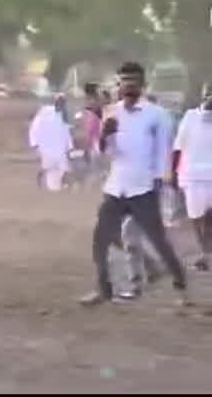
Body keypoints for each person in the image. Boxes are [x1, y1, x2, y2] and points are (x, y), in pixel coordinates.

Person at [80, 61, 188, 307]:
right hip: (116, 186)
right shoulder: (110, 112)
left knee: (159, 241)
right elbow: (105, 153)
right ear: (118, 83)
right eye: (124, 80)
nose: (128, 85)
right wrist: (106, 136)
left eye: (133, 81)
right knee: (101, 239)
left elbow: (164, 151)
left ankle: (181, 287)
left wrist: (165, 180)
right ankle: (104, 290)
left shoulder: (157, 115)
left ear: (142, 84)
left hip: (145, 188)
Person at [172, 82, 212, 271]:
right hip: (192, 177)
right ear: (202, 96)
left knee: (209, 219)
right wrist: (173, 173)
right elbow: (178, 147)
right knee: (196, 218)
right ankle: (205, 253)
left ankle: (207, 254)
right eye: (208, 94)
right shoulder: (190, 117)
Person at [29, 94, 73, 192]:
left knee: (66, 169)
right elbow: (35, 126)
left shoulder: (64, 115)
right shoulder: (46, 111)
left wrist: (69, 147)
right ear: (56, 102)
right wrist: (34, 143)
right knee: (46, 167)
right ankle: (39, 183)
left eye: (63, 102)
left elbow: (66, 132)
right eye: (59, 101)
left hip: (60, 146)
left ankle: (65, 186)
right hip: (47, 146)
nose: (61, 104)